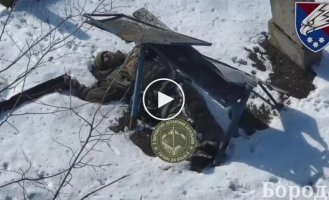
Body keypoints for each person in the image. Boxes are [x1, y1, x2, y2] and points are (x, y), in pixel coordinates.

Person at [68, 47, 228, 172]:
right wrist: (79, 88)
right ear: (104, 69)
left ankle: (212, 139)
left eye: (106, 53)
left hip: (174, 79)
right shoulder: (113, 78)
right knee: (176, 114)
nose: (107, 56)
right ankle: (195, 151)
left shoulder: (136, 51)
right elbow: (97, 95)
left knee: (195, 106)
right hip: (155, 93)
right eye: (103, 59)